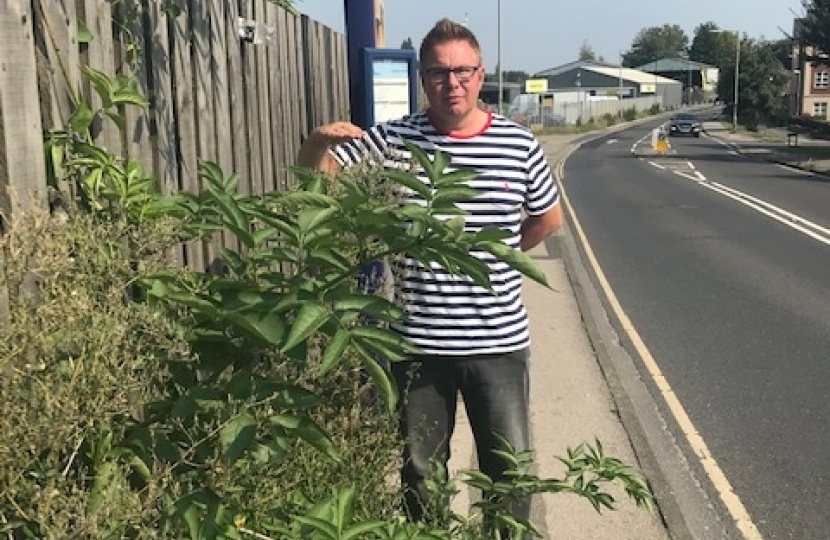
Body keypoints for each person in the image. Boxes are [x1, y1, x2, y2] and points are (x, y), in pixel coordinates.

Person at [296, 17, 562, 535]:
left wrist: (498, 256)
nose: (451, 83)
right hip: (417, 345)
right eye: (439, 73)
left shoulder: (518, 143)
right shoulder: (393, 140)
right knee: (420, 472)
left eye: (462, 71)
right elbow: (319, 188)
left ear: (481, 75)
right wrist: (315, 143)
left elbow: (547, 219)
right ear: (424, 78)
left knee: (508, 472)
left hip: (498, 343)